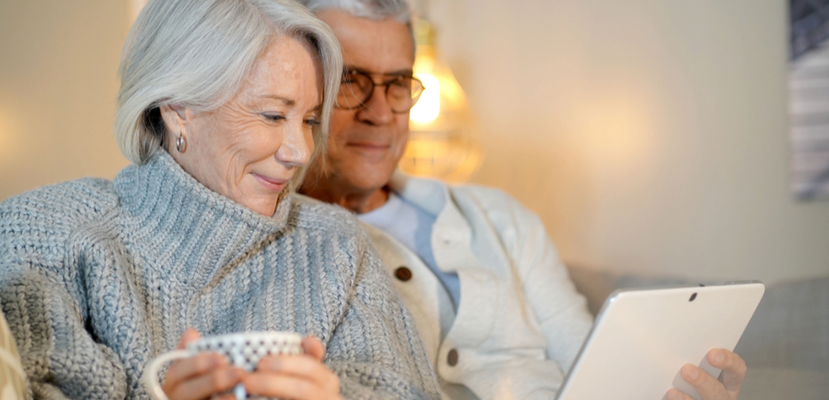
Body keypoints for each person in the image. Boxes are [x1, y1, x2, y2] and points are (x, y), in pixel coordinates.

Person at [0, 0, 441, 399]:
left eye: (311, 119)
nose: (300, 151)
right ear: (178, 108)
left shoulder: (338, 247)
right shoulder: (39, 236)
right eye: (273, 115)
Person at [296, 1, 749, 400]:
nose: (379, 114)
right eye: (351, 81)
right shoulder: (282, 243)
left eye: (398, 83)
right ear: (304, 91)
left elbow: (584, 357)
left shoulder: (501, 217)